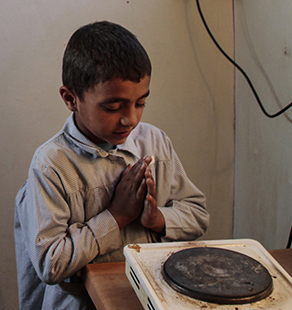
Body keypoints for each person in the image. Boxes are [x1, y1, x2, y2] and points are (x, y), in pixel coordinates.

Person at [14, 21, 209, 310]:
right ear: (71, 98)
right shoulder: (53, 164)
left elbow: (198, 214)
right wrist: (116, 217)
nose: (130, 119)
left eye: (140, 103)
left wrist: (156, 220)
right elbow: (50, 263)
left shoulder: (154, 143)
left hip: (148, 297)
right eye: (113, 107)